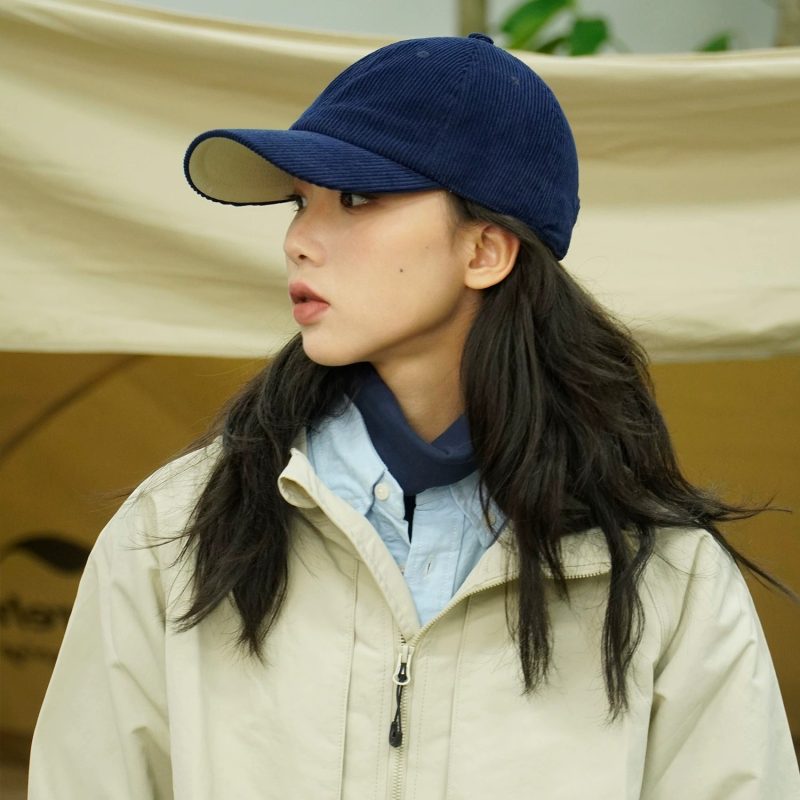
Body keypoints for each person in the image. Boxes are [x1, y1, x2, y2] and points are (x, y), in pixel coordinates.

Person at [29, 33, 799, 799]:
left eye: (356, 198)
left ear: (486, 251)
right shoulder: (174, 532)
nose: (298, 240)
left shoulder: (665, 575)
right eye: (301, 202)